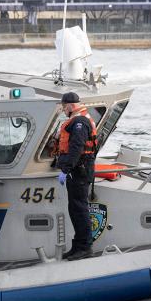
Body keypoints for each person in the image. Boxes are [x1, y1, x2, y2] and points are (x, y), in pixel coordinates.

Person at [54, 92, 98, 261]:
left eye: (64, 107)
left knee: (79, 209)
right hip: (78, 169)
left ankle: (85, 247)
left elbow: (77, 147)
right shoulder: (80, 119)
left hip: (78, 171)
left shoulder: (79, 122)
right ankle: (77, 245)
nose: (63, 110)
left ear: (70, 106)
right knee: (74, 209)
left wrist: (66, 169)